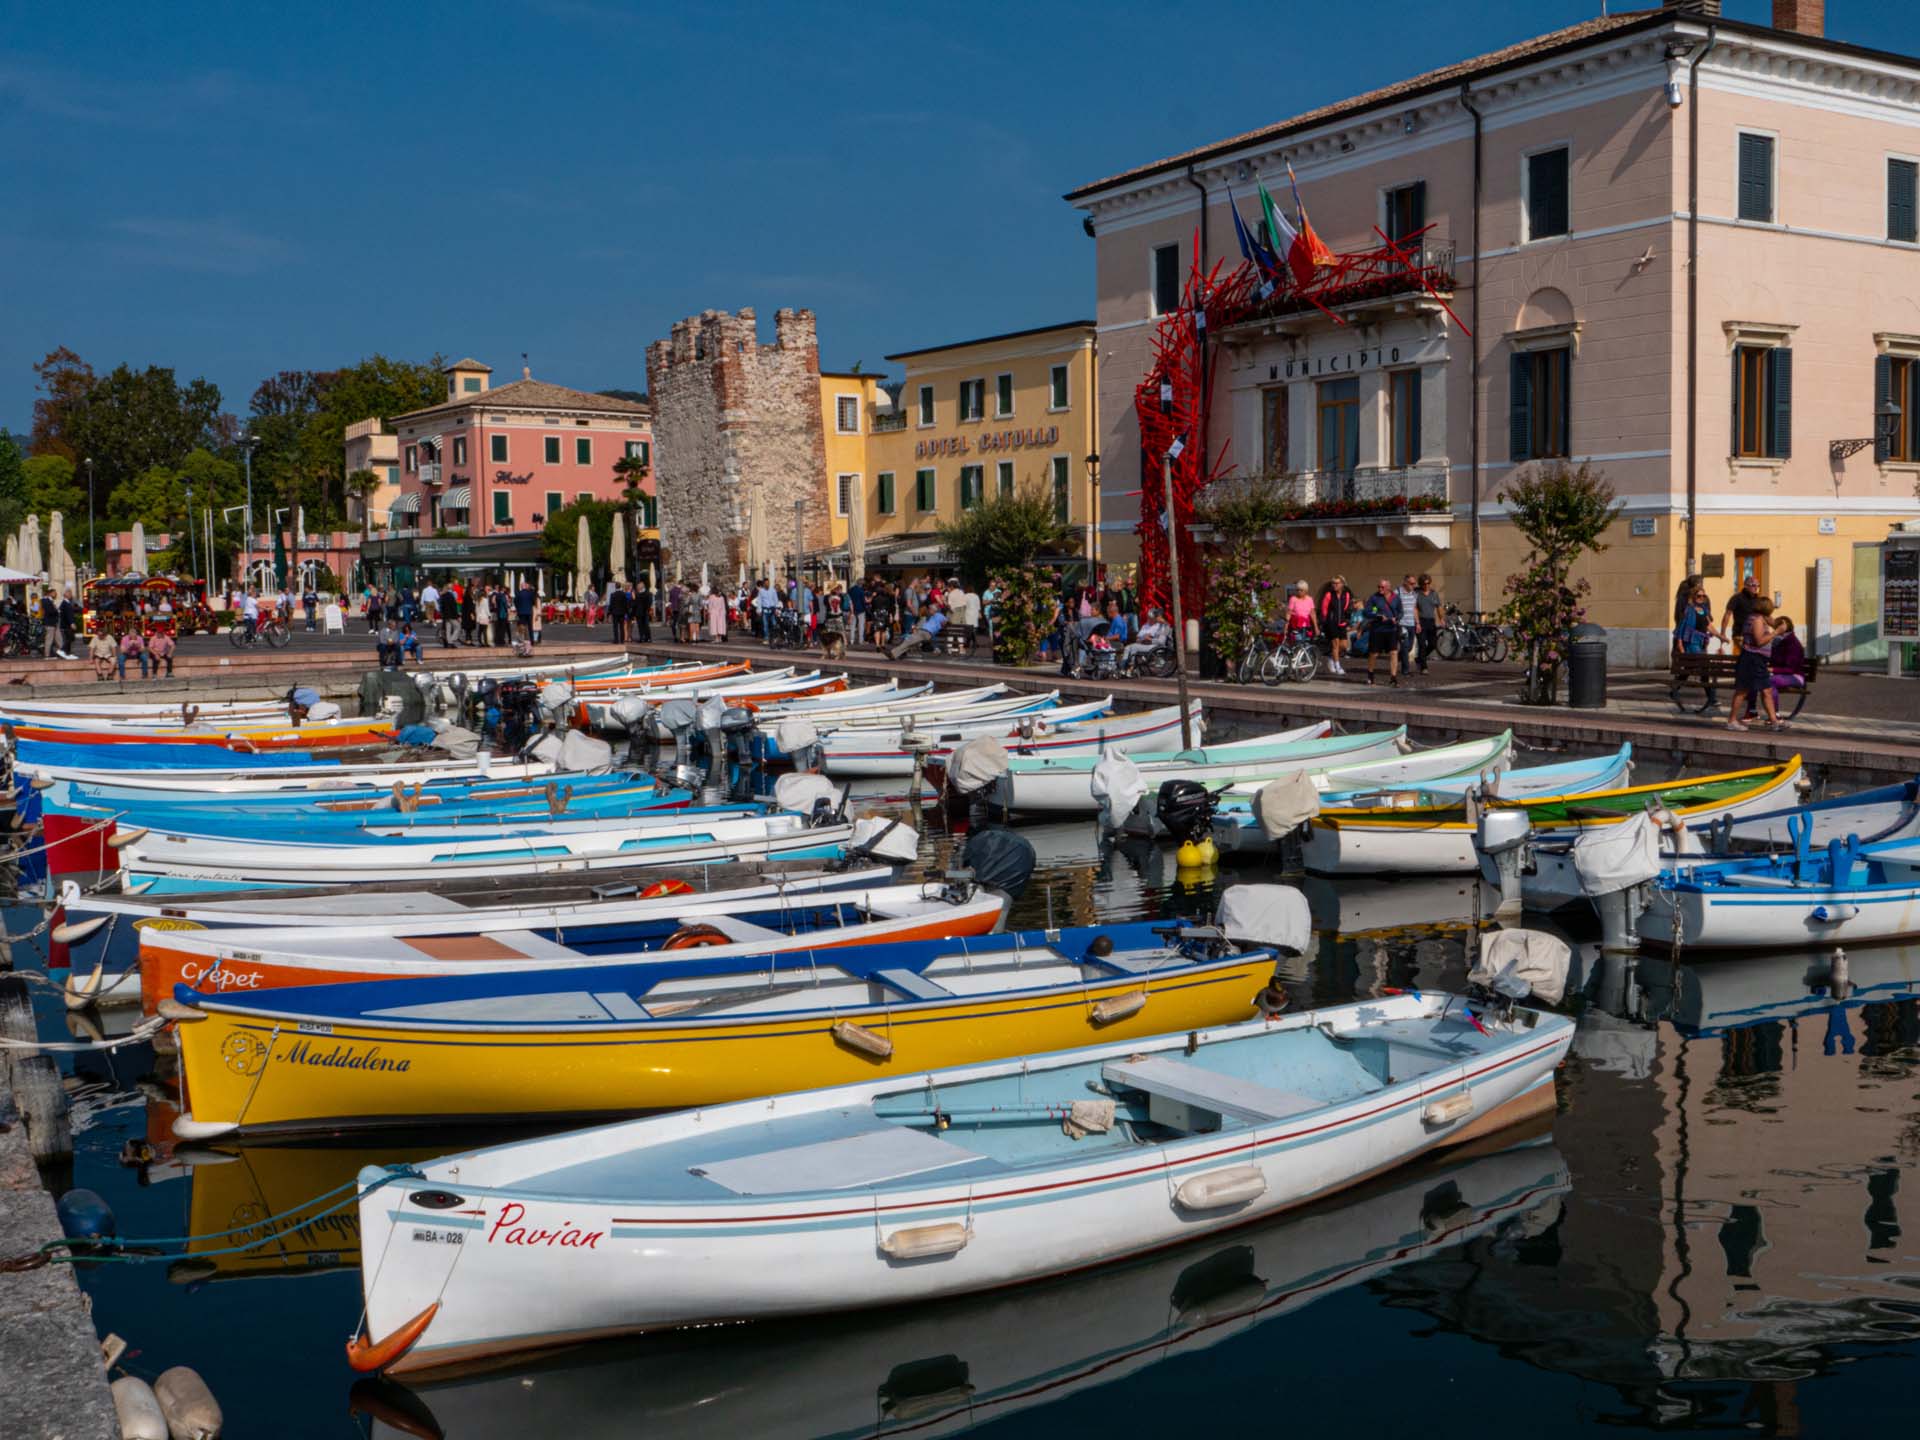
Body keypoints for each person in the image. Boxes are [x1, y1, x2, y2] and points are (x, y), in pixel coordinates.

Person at [1728, 596, 1778, 730]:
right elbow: (1759, 641)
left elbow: (1775, 623)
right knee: (1743, 690)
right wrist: (1776, 633)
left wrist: (1778, 625)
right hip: (1753, 659)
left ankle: (1774, 722)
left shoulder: (1758, 618)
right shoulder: (1757, 620)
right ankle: (1732, 720)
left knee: (1766, 690)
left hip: (1757, 660)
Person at [1363, 579, 1401, 687]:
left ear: (1388, 587)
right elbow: (1367, 612)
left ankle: (1393, 678)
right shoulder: (1374, 598)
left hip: (1391, 629)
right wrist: (1378, 616)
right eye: (1378, 587)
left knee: (1394, 653)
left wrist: (1396, 618)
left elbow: (1401, 611)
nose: (1380, 589)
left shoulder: (1396, 598)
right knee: (1373, 654)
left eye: (1382, 587)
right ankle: (1370, 675)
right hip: (1377, 630)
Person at [1721, 572, 1763, 655]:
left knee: (1751, 656)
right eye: (1753, 585)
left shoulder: (1758, 599)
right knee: (1746, 654)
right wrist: (1723, 632)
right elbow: (1727, 614)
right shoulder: (1737, 598)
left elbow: (1764, 616)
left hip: (1755, 634)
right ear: (1746, 586)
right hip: (1740, 634)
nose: (1756, 588)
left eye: (1758, 585)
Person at [1769, 614, 1807, 701]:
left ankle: (1775, 713)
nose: (1776, 628)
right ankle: (1752, 711)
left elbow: (1790, 669)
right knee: (1755, 679)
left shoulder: (1792, 643)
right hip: (1781, 674)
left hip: (1795, 676)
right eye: (1776, 626)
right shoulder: (1777, 641)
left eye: (1779, 626)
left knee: (1769, 681)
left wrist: (1772, 670)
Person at [1674, 585, 1721, 654]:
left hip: (1703, 641)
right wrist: (1680, 643)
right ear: (1693, 596)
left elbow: (1709, 626)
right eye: (1699, 596)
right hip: (1692, 641)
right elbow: (1682, 625)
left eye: (1703, 596)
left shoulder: (1704, 609)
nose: (1701, 598)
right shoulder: (1689, 609)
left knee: (1701, 662)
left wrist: (1721, 637)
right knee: (1699, 662)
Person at [1122, 606, 1172, 670]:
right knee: (1128, 647)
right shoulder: (1159, 625)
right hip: (1150, 644)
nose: (1156, 619)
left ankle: (1132, 668)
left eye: (1156, 617)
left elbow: (1161, 641)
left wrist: (1150, 640)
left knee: (1134, 647)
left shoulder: (1164, 626)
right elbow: (1139, 637)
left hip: (1156, 646)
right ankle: (1122, 667)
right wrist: (1145, 639)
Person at [1414, 573, 1441, 674]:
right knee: (1422, 645)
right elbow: (1414, 608)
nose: (1426, 585)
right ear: (1421, 584)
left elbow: (1438, 607)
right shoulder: (1416, 593)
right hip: (1420, 621)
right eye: (1424, 584)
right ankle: (1424, 667)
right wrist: (1417, 622)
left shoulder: (1434, 594)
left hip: (1431, 621)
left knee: (1433, 644)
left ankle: (1419, 659)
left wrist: (1441, 619)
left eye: (1428, 583)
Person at [1395, 573, 1419, 675]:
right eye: (1411, 583)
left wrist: (1417, 623)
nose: (1413, 586)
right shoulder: (1397, 592)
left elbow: (1414, 609)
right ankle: (1406, 670)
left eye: (1414, 584)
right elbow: (1392, 606)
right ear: (1405, 583)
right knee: (1405, 646)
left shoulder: (1414, 594)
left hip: (1411, 624)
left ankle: (1397, 657)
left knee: (1408, 647)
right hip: (1401, 624)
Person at [514, 579, 536, 646]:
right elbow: (533, 602)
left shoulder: (518, 593)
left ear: (521, 587)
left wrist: (518, 608)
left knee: (522, 626)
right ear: (525, 587)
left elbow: (515, 602)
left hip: (521, 612)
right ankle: (531, 641)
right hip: (529, 612)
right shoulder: (530, 593)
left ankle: (522, 640)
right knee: (530, 627)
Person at [848, 576, 867, 649]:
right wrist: (865, 608)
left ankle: (852, 640)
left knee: (852, 625)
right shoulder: (861, 591)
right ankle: (860, 640)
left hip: (852, 609)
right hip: (861, 609)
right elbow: (863, 601)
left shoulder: (851, 590)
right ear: (861, 584)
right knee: (861, 625)